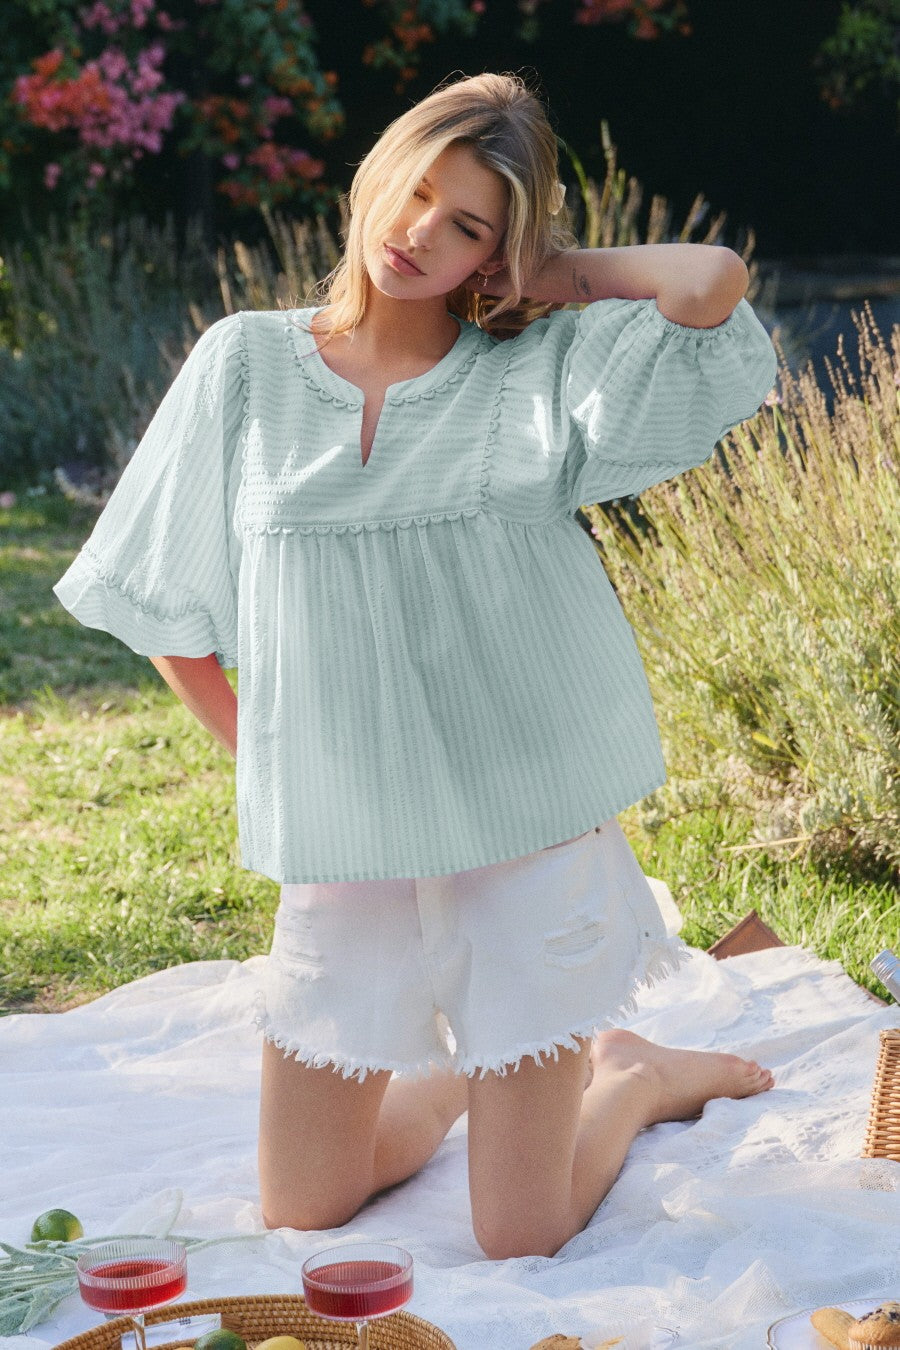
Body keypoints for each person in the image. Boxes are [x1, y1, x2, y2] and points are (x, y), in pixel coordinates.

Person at [52, 71, 777, 1261]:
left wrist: (557, 275)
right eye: (417, 190)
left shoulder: (534, 375)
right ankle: (461, 1087)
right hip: (349, 843)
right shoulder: (244, 365)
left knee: (520, 1236)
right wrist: (269, 763)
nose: (420, 231)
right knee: (304, 1208)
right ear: (375, 172)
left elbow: (710, 284)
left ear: (501, 252)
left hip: (522, 823)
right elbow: (165, 609)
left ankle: (633, 1080)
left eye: (469, 225)